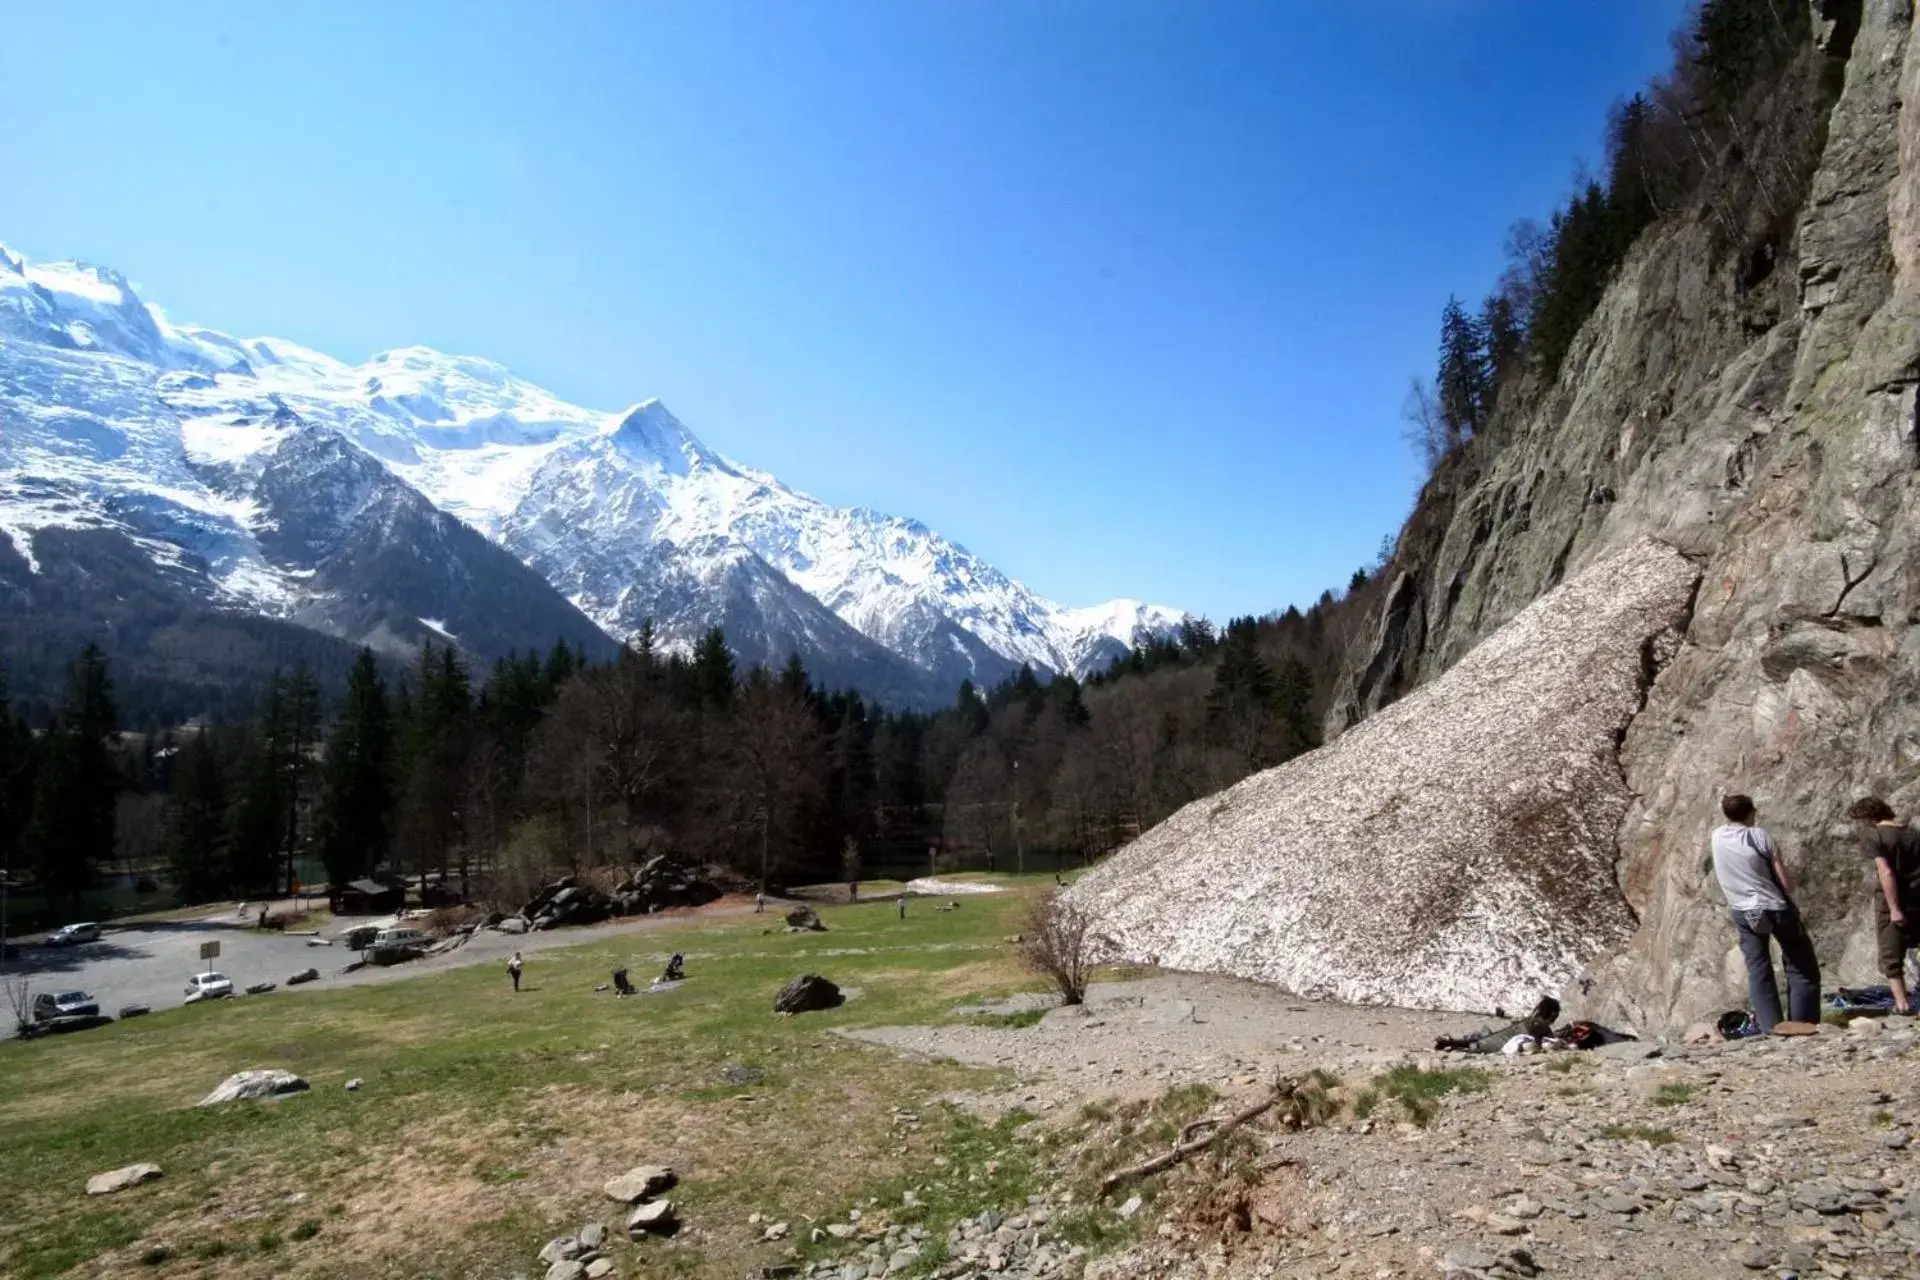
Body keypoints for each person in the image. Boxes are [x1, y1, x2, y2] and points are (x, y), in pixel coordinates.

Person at [1710, 793, 1820, 1031]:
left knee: (1758, 968)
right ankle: (1803, 1023)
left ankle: (1771, 1026)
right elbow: (1786, 882)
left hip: (1742, 910)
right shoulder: (1760, 836)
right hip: (1774, 907)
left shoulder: (1717, 836)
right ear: (1752, 812)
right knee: (1801, 965)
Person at [1850, 796, 1920, 1014]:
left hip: (1893, 901)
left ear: (1867, 818)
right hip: (1918, 899)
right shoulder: (1913, 833)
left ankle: (1902, 1005)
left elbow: (1886, 872)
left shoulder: (1874, 836)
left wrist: (1894, 908)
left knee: (1891, 954)